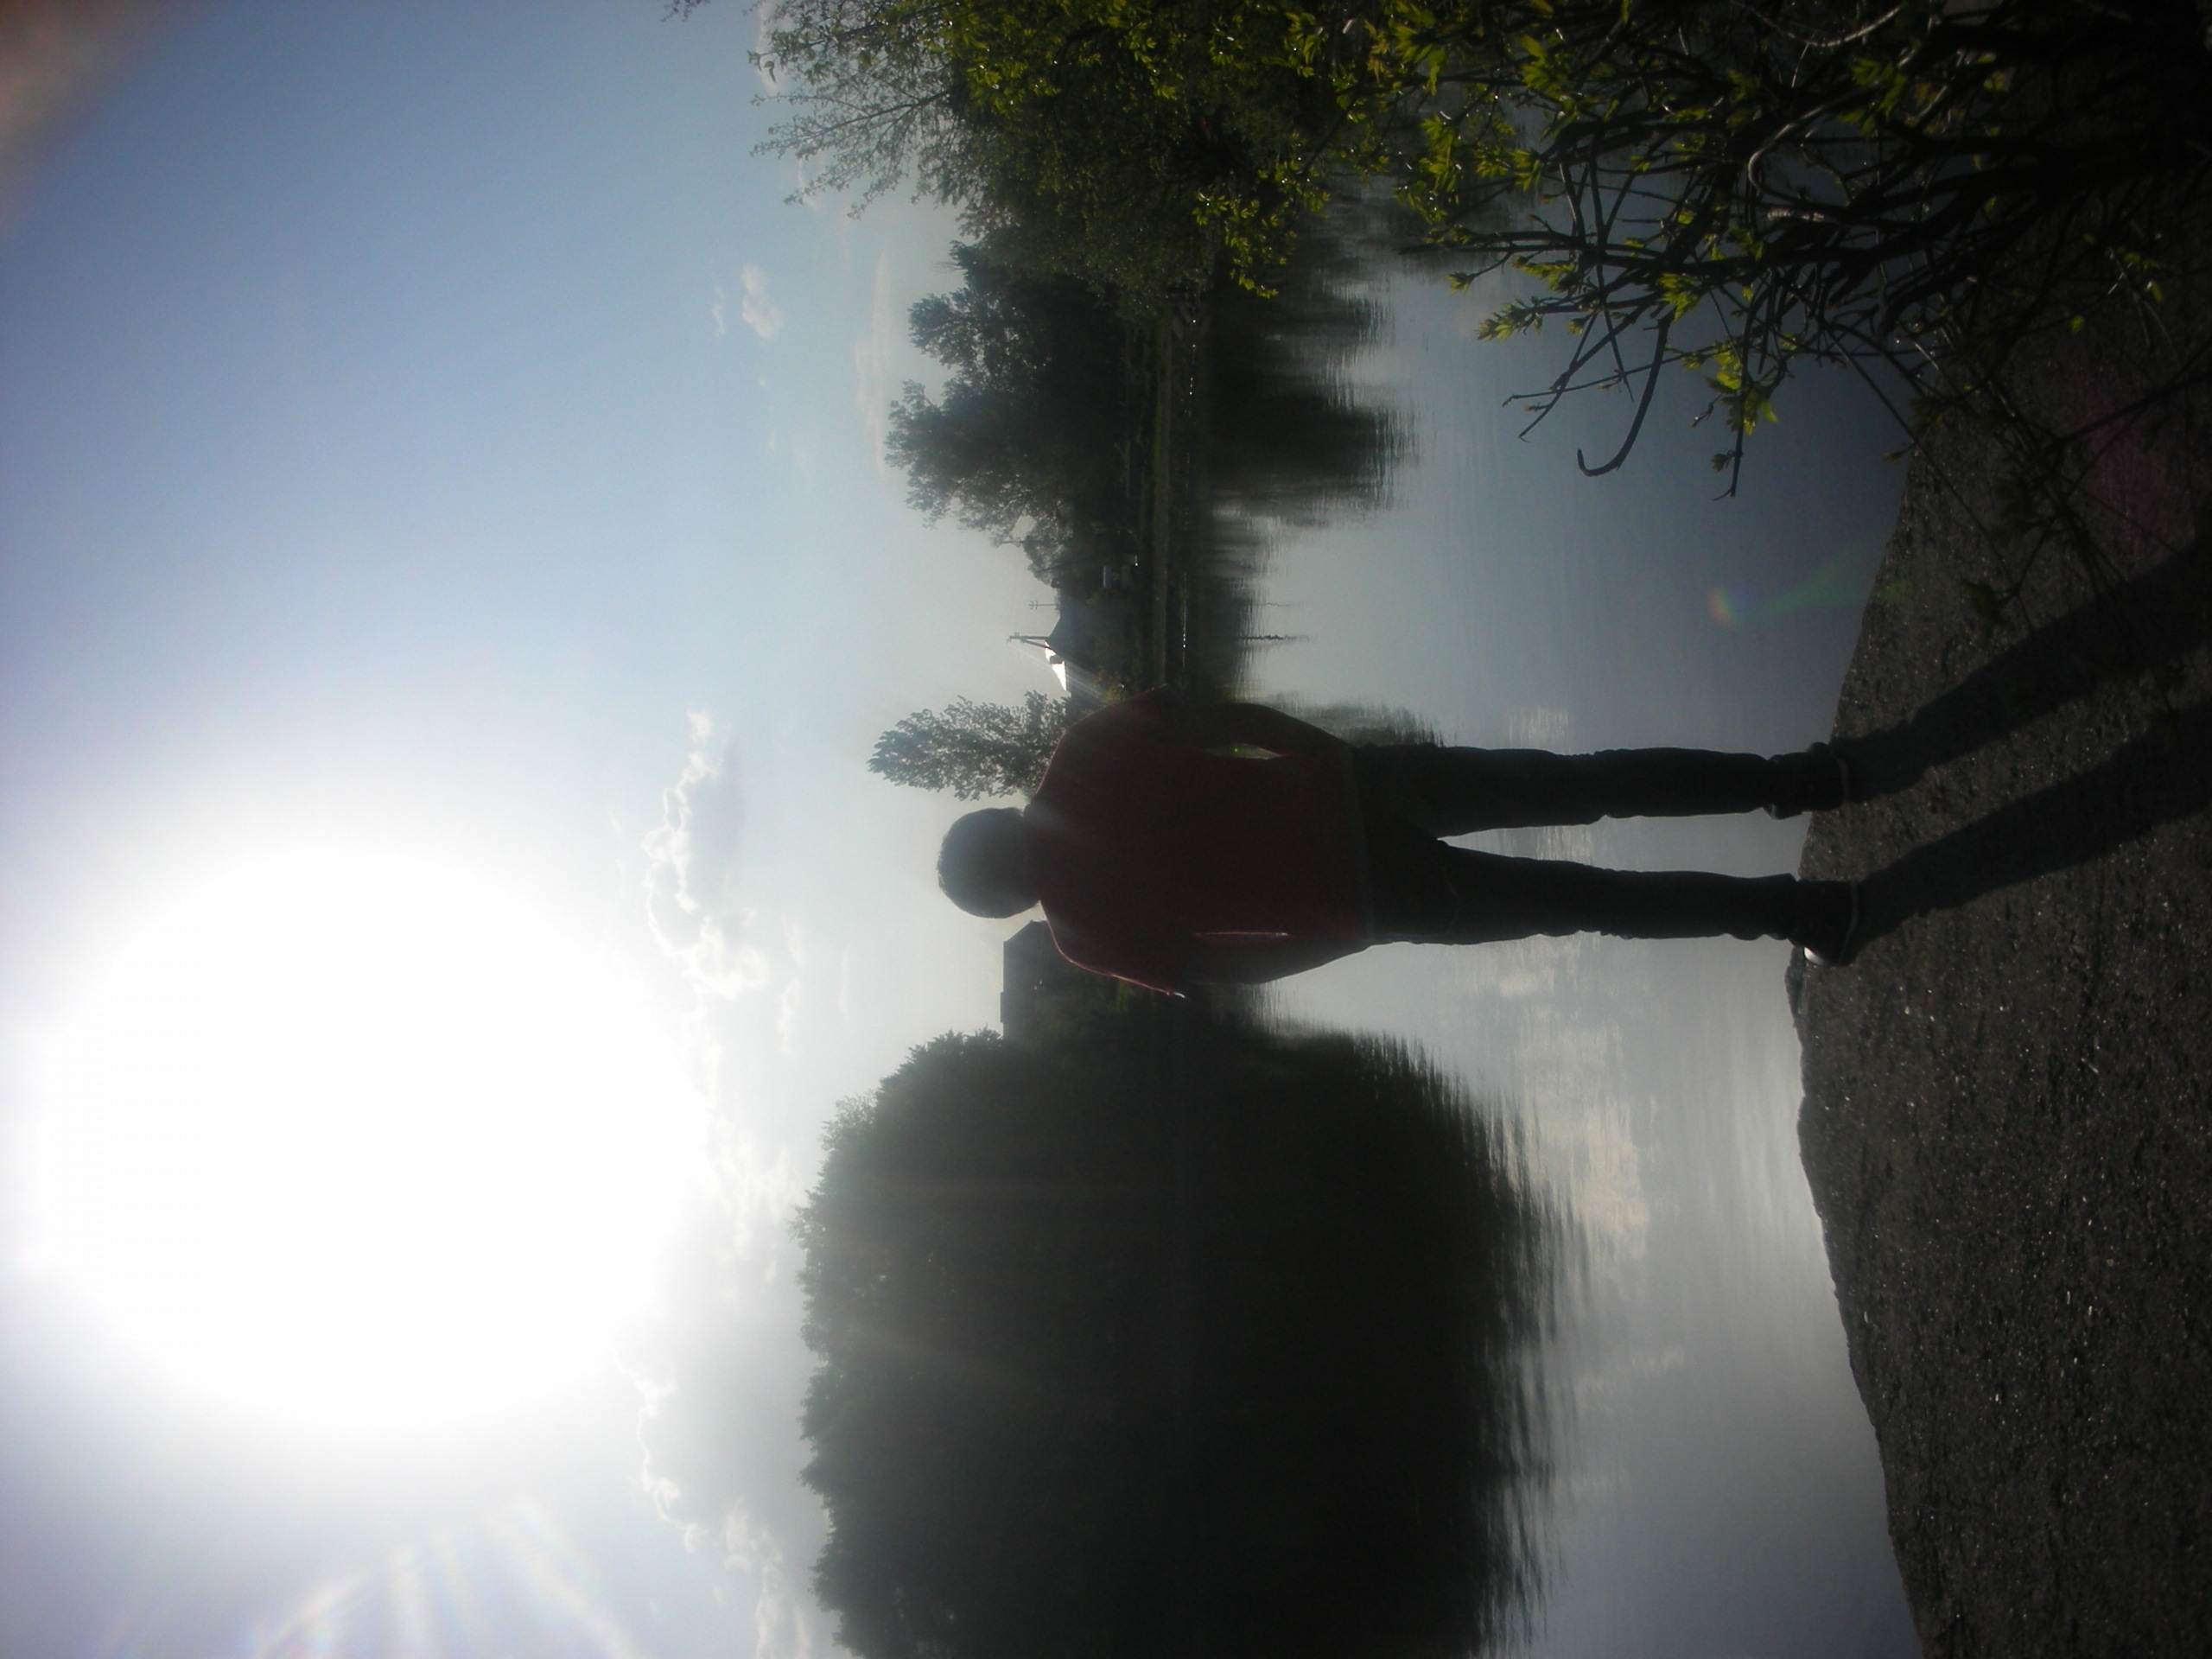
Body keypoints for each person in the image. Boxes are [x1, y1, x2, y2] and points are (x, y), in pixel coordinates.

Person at [936, 689, 1859, 993]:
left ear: (1008, 900)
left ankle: (1802, 911)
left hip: (1377, 898)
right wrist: (1333, 757)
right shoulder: (1083, 752)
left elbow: (1221, 972)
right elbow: (1226, 714)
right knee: (1587, 783)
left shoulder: (1083, 935)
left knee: (1590, 903)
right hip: (1360, 787)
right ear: (998, 820)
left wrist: (1341, 939)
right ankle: (1797, 781)